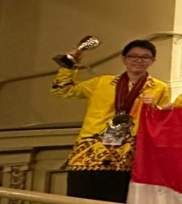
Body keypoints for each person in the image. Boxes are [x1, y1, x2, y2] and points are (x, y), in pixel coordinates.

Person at [50, 39, 171, 202]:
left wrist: (155, 108)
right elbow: (62, 91)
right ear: (124, 59)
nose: (138, 60)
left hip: (127, 157)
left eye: (145, 57)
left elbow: (161, 122)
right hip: (88, 154)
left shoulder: (159, 88)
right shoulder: (102, 82)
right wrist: (69, 66)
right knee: (79, 200)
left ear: (152, 61)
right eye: (133, 56)